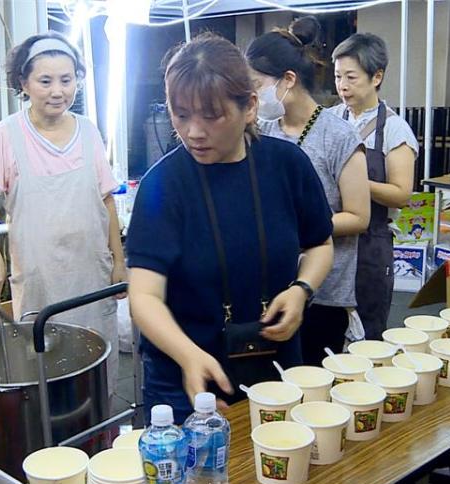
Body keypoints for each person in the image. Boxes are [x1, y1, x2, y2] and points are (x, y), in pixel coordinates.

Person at [126, 33, 334, 423]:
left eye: (212, 115)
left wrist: (302, 290)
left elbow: (320, 244)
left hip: (275, 366)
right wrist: (189, 357)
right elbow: (144, 296)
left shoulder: (287, 166)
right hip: (184, 377)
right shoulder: (163, 185)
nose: (194, 132)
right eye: (181, 113)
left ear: (250, 107)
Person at [0, 32, 125, 398]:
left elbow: (106, 202)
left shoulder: (88, 131)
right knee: (47, 380)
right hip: (41, 281)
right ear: (24, 83)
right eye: (45, 81)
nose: (58, 91)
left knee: (98, 380)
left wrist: (119, 261)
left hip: (92, 278)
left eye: (67, 80)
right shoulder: (5, 135)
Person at [245, 17, 370, 363]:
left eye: (257, 84)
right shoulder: (261, 131)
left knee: (315, 384)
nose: (253, 95)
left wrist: (297, 228)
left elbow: (359, 216)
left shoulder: (338, 136)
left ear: (288, 80)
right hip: (271, 286)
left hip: (325, 289)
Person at [329, 33, 419, 341]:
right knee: (325, 327)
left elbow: (402, 193)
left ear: (376, 76)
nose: (343, 86)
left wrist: (355, 183)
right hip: (333, 238)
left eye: (351, 77)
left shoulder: (395, 129)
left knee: (369, 332)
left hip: (371, 244)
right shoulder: (330, 119)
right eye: (338, 76)